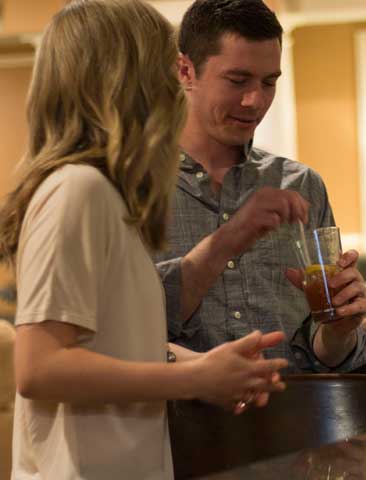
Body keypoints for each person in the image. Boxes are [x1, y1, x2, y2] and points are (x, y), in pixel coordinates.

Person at [0, 1, 287, 478]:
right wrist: (191, 377)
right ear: (128, 81)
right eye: (164, 69)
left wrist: (205, 365)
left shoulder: (105, 194)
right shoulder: (79, 188)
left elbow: (109, 344)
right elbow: (39, 369)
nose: (176, 87)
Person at [154, 0, 366, 372]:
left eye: (269, 82)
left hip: (295, 421)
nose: (255, 101)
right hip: (177, 425)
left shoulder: (303, 185)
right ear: (185, 71)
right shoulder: (133, 189)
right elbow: (119, 334)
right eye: (237, 80)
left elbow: (324, 353)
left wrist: (340, 330)